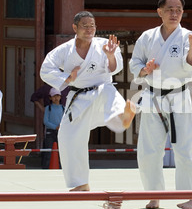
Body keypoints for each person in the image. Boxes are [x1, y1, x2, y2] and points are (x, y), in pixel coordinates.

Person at [129, 0, 192, 209]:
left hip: (178, 96)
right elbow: (135, 62)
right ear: (160, 12)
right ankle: (154, 195)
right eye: (170, 9)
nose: (174, 13)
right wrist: (144, 69)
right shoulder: (147, 37)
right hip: (153, 95)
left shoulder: (188, 36)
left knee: (184, 148)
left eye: (178, 10)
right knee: (148, 149)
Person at [40, 11, 136, 191]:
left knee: (108, 93)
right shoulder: (64, 50)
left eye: (92, 25)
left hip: (101, 90)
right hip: (78, 97)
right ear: (75, 27)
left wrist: (110, 56)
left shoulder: (103, 45)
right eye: (85, 25)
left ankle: (122, 115)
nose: (90, 29)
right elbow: (45, 70)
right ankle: (80, 183)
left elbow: (115, 69)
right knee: (68, 137)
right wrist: (68, 78)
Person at [41, 88, 64, 169]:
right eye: (54, 96)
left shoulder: (63, 108)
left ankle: (62, 168)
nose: (56, 98)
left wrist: (61, 126)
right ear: (50, 97)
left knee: (61, 151)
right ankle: (46, 168)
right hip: (50, 132)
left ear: (60, 97)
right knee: (48, 151)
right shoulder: (48, 108)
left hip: (61, 131)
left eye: (57, 96)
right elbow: (45, 121)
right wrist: (55, 127)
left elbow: (65, 120)